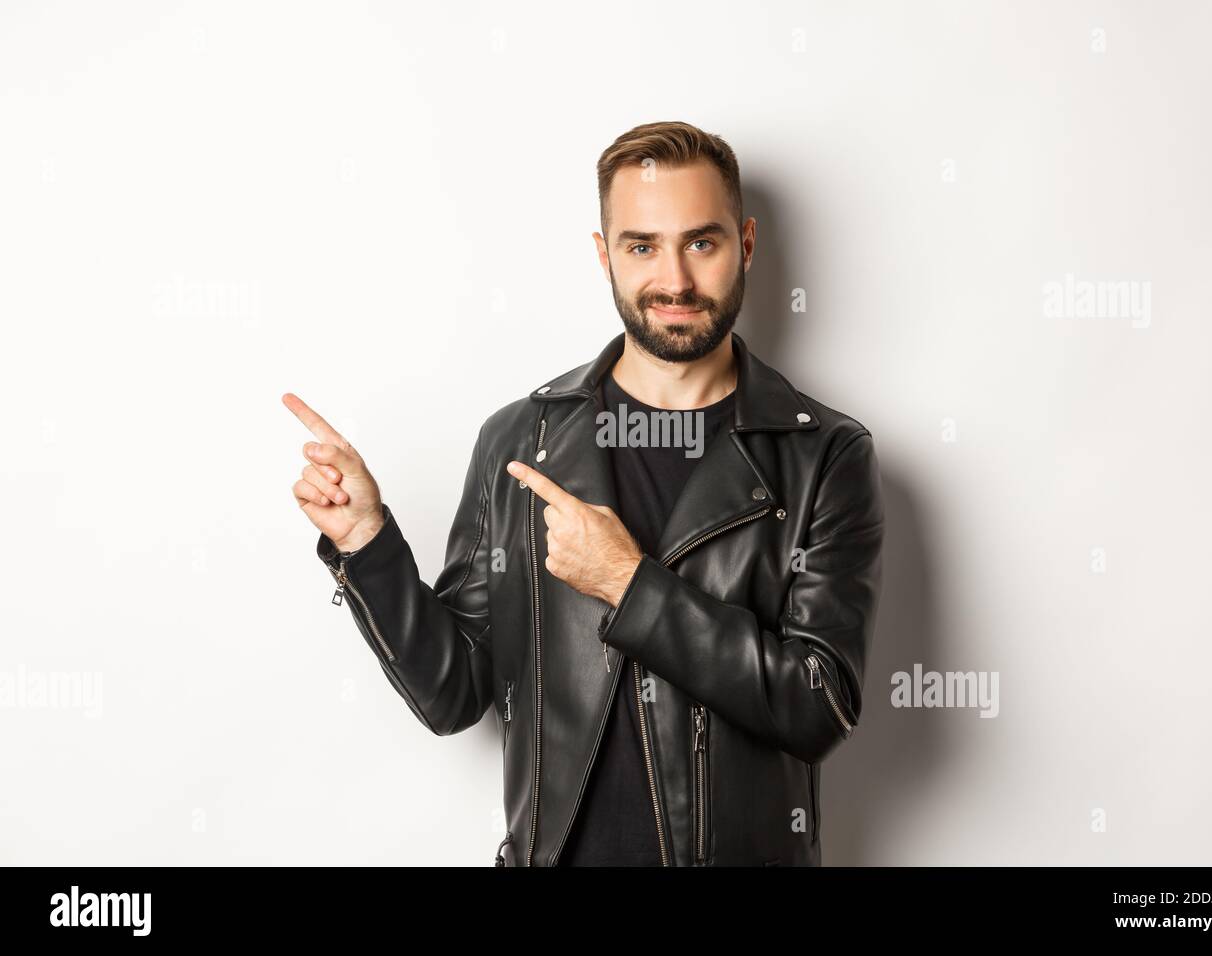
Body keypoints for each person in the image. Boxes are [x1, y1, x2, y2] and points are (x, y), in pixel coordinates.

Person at [284, 120, 885, 866]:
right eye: (642, 246)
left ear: (747, 245)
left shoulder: (823, 455)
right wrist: (367, 543)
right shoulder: (520, 442)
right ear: (604, 256)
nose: (675, 279)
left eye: (702, 242)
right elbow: (453, 694)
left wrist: (629, 586)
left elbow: (817, 704)